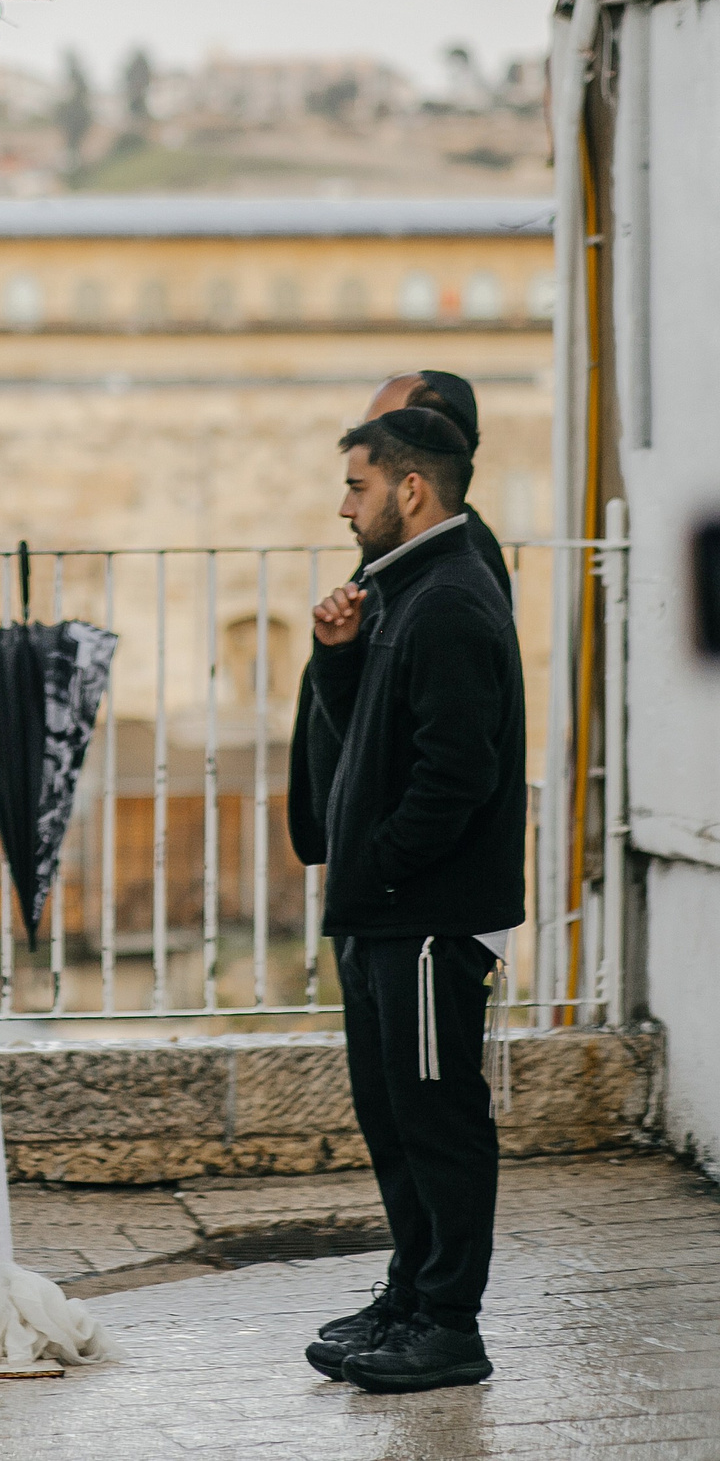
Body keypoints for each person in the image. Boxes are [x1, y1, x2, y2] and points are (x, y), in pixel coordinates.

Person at [299, 408, 523, 1393]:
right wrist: (340, 659)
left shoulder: (448, 601)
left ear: (410, 489)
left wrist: (383, 870)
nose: (345, 506)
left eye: (356, 486)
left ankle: (447, 1325)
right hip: (385, 913)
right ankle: (408, 1297)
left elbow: (454, 775)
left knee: (436, 1121)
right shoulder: (403, 595)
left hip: (422, 921)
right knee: (393, 1118)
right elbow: (370, 749)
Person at [290, 370, 510, 865]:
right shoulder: (404, 555)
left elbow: (454, 762)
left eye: (380, 427)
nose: (367, 441)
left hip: (404, 894)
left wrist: (382, 862)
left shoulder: (454, 575)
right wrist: (337, 652)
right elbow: (377, 714)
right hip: (375, 877)